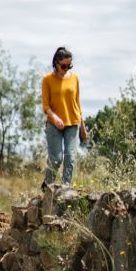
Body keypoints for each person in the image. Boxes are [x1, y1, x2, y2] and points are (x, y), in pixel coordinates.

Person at [41, 46, 88, 187]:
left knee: (70, 157)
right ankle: (47, 187)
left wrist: (83, 127)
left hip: (73, 122)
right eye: (64, 66)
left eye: (70, 66)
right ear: (56, 63)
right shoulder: (47, 79)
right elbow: (45, 106)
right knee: (56, 159)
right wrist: (55, 118)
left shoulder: (75, 78)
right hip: (53, 124)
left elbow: (77, 103)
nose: (66, 69)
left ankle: (65, 189)